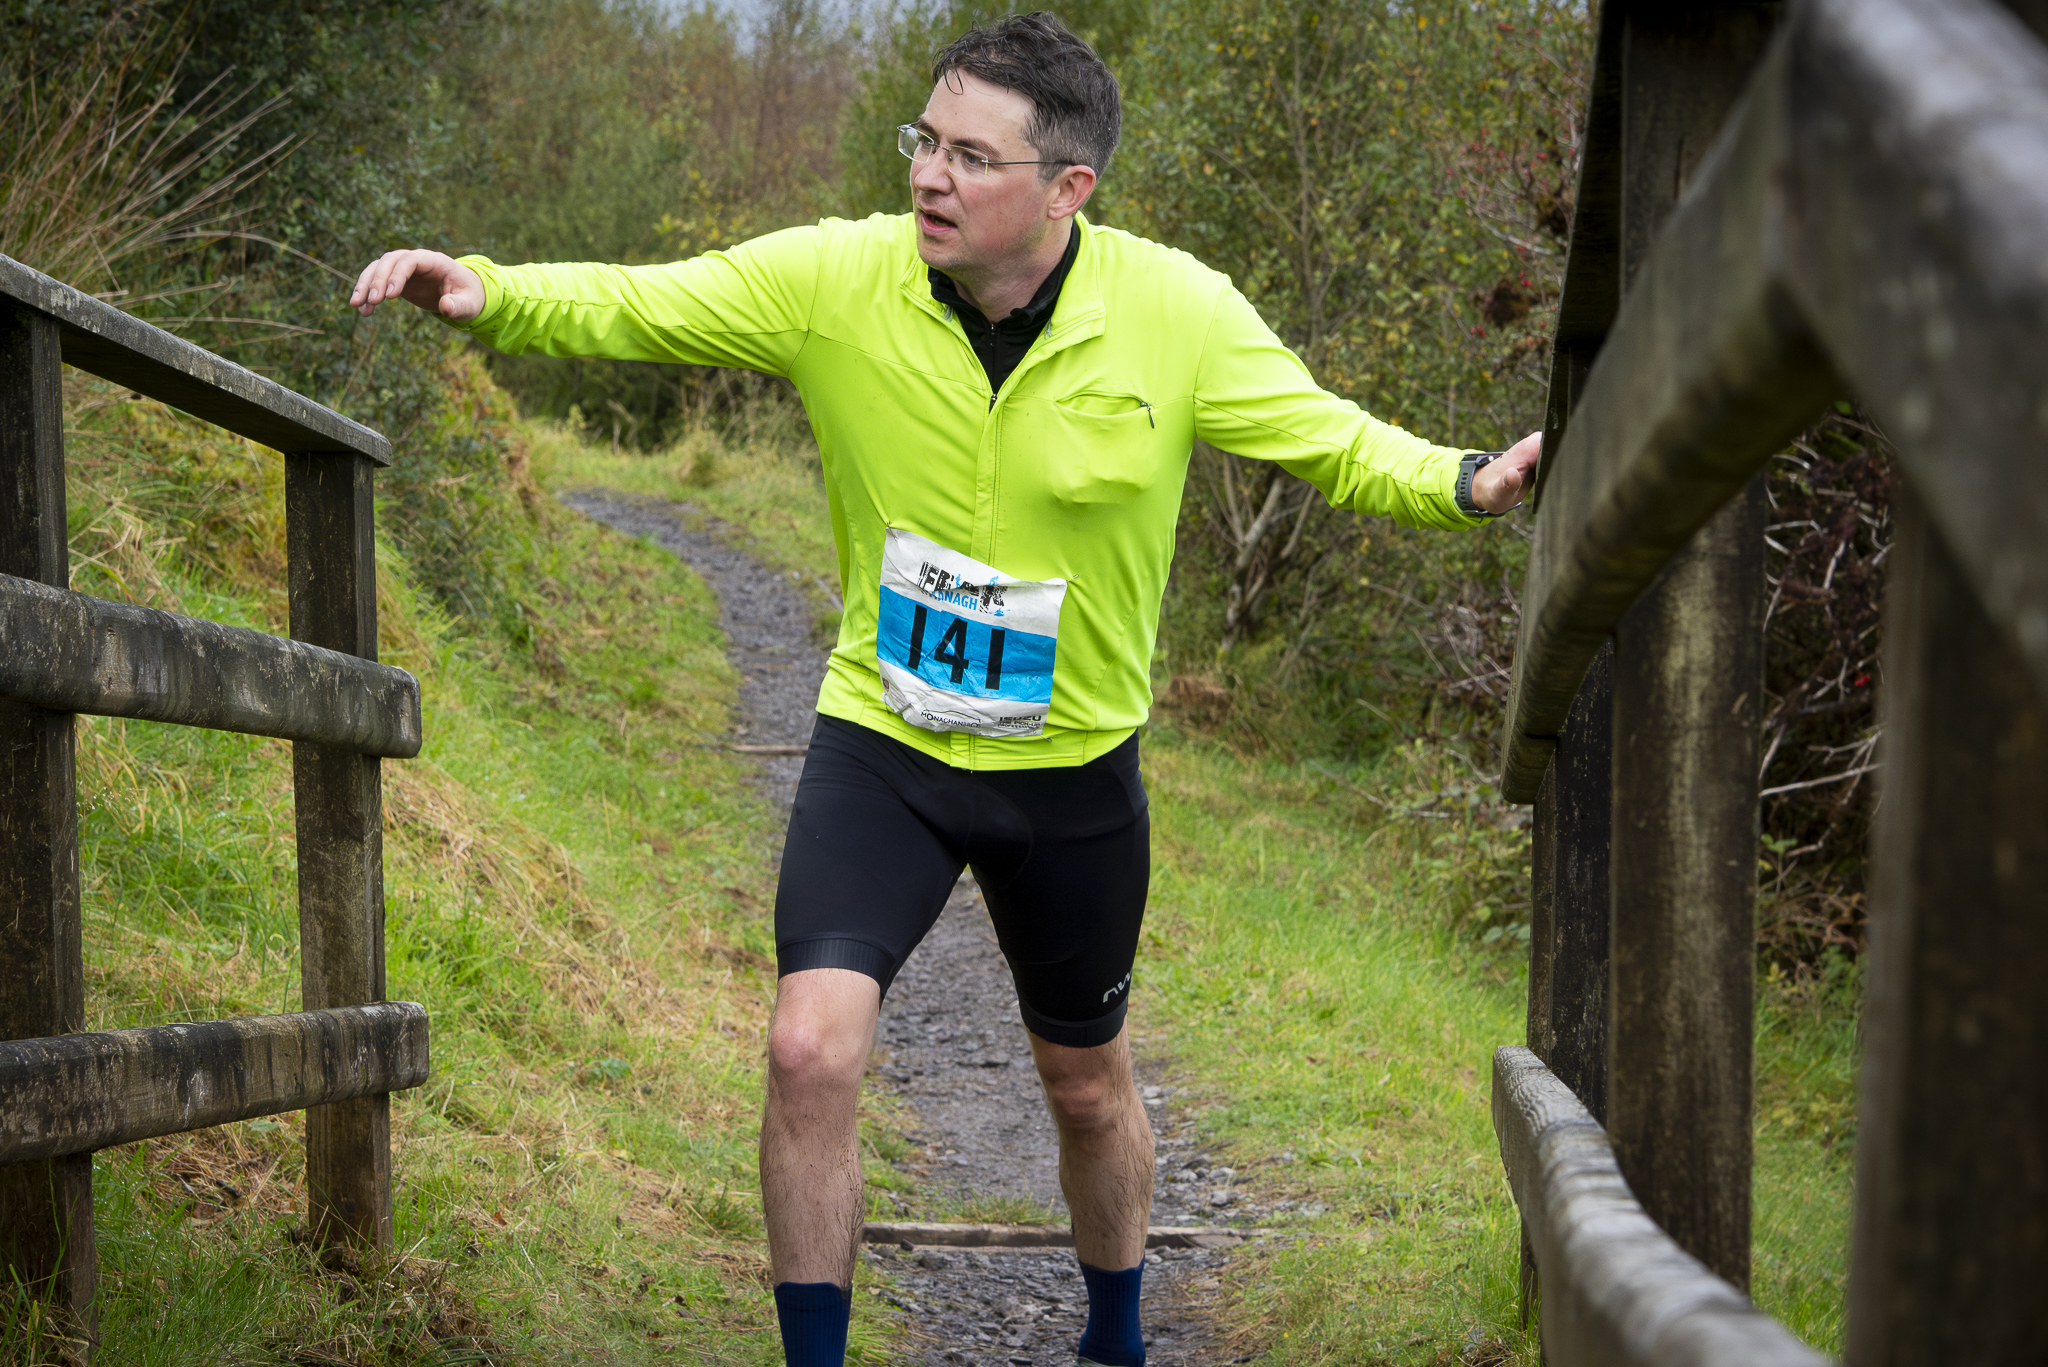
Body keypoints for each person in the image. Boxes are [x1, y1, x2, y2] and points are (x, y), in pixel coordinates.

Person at [350, 13, 1538, 1365]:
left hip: (1070, 770)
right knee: (808, 1050)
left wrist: (1463, 482)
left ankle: (1115, 1338)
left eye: (973, 156)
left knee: (1085, 1089)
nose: (929, 174)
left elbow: (1329, 438)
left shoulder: (1177, 313)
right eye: (926, 139)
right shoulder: (839, 279)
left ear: (1068, 187)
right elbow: (651, 299)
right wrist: (489, 291)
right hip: (886, 741)